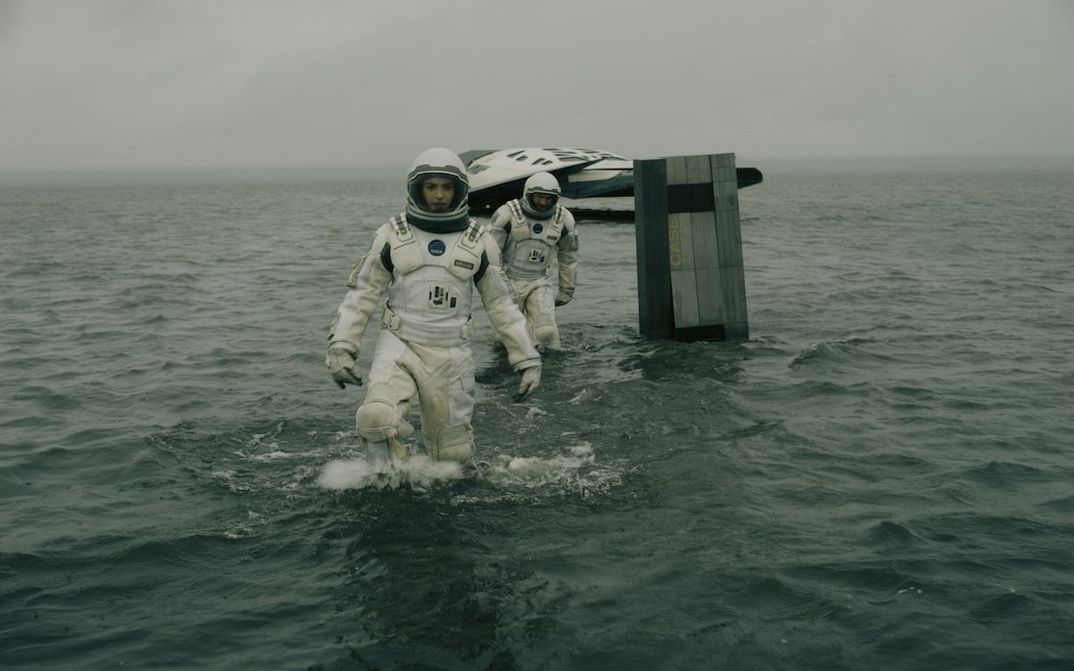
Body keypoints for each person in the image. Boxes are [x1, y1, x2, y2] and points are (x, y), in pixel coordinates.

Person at [325, 148, 541, 464]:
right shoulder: (391, 235)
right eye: (431, 187)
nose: (439, 195)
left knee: (453, 456)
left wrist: (527, 357)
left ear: (459, 190)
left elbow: (501, 305)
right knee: (376, 418)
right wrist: (342, 345)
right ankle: (383, 482)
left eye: (446, 187)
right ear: (417, 189)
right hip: (399, 346)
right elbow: (362, 295)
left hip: (452, 352)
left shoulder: (480, 241)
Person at [488, 171, 578, 351]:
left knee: (546, 332)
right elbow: (489, 253)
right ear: (528, 194)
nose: (543, 203)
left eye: (548, 199)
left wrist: (566, 289)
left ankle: (551, 370)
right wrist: (491, 289)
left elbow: (569, 256)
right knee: (505, 338)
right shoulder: (506, 214)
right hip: (508, 279)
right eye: (539, 197)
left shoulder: (564, 219)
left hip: (539, 280)